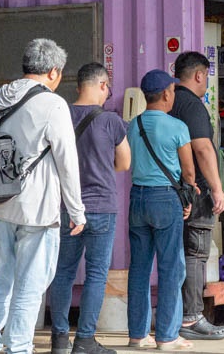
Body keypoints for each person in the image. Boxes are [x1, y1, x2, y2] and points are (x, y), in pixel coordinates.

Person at [0, 39, 86, 354]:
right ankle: (19, 347)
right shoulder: (53, 104)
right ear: (53, 72)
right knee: (29, 287)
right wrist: (76, 211)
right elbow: (66, 160)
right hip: (37, 209)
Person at [49, 63, 130, 354]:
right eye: (107, 87)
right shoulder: (110, 121)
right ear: (101, 85)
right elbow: (124, 163)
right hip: (102, 208)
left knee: (63, 272)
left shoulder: (61, 115)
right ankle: (84, 340)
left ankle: (59, 339)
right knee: (96, 274)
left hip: (68, 207)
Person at [126, 70, 196, 351]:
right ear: (167, 94)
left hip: (137, 199)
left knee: (139, 269)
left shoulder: (133, 125)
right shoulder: (178, 127)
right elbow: (189, 171)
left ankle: (138, 335)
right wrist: (188, 197)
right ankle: (167, 336)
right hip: (166, 200)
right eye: (173, 90)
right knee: (171, 269)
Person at [168, 52, 224, 341]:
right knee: (195, 254)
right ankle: (191, 318)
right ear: (199, 75)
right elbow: (203, 149)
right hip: (194, 192)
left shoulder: (166, 102)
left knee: (175, 254)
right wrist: (217, 189)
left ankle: (174, 315)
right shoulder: (193, 105)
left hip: (169, 192)